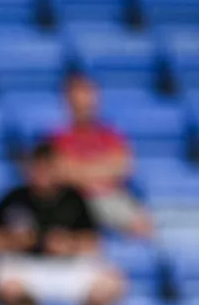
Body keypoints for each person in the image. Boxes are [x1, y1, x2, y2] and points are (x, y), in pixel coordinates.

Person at [0, 141, 124, 305]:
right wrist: (16, 241)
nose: (42, 173)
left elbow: (94, 243)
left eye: (47, 167)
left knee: (110, 283)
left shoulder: (74, 199)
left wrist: (69, 245)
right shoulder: (13, 199)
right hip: (26, 266)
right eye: (37, 167)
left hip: (66, 267)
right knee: (5, 281)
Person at [52, 73, 152, 239]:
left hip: (109, 196)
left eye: (87, 101)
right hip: (74, 199)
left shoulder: (111, 135)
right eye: (77, 102)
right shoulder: (57, 137)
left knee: (141, 224)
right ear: (68, 103)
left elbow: (123, 167)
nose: (84, 106)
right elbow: (63, 172)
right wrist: (101, 170)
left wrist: (82, 170)